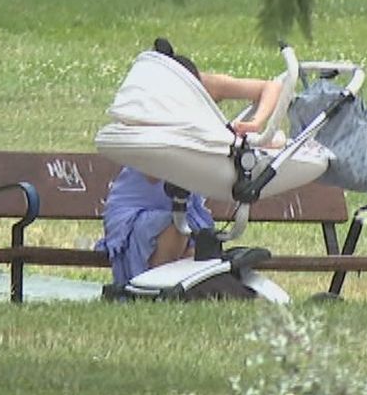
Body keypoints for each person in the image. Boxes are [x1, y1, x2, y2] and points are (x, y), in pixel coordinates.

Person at [99, 39, 283, 290]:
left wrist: (255, 124)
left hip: (185, 206)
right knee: (175, 228)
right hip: (141, 210)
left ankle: (182, 289)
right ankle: (155, 289)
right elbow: (154, 173)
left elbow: (271, 87)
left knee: (193, 241)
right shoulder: (150, 104)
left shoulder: (201, 86)